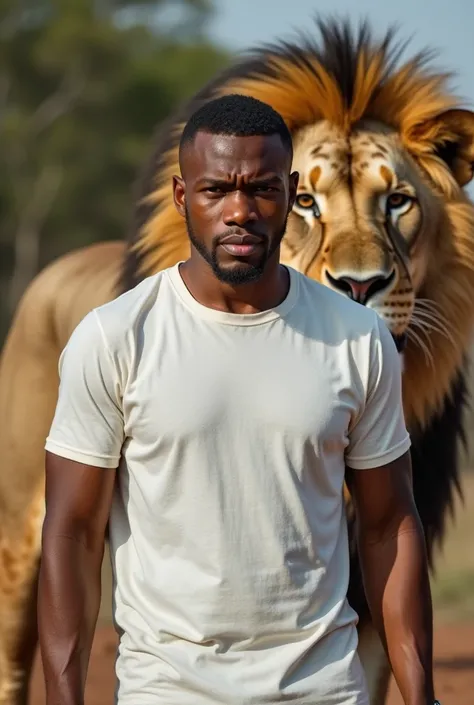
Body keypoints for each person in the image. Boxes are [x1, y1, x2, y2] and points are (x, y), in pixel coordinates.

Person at [38, 93, 438, 705]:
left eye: (261, 189)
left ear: (292, 193)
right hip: (167, 691)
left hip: (323, 689)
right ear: (181, 197)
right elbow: (72, 533)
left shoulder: (358, 338)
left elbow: (388, 526)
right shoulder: (116, 337)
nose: (240, 211)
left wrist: (422, 694)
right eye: (216, 189)